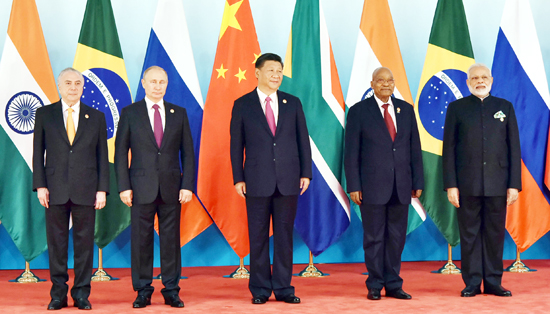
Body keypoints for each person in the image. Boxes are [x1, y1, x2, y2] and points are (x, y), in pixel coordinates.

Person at [230, 53, 312, 305]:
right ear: (257, 72)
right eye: (271, 71)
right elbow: (236, 145)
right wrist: (238, 178)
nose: (276, 75)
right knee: (258, 236)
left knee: (285, 236)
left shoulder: (293, 103)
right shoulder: (242, 104)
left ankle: (284, 288)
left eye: (279, 71)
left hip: (289, 179)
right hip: (255, 180)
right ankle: (260, 289)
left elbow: (302, 140)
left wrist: (305, 172)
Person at [114, 66, 194, 308]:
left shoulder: (178, 113)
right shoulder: (130, 113)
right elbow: (120, 154)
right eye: (153, 82)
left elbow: (188, 153)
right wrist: (123, 187)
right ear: (144, 83)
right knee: (141, 241)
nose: (158, 86)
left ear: (166, 84)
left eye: (162, 82)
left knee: (171, 241)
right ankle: (143, 290)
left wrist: (187, 184)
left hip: (172, 187)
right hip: (139, 187)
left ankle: (171, 289)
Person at [33, 67, 109, 310]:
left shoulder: (96, 117)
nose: (73, 87)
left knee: (84, 244)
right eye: (68, 83)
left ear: (83, 87)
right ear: (60, 86)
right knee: (56, 244)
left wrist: (102, 189)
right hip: (53, 189)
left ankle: (81, 294)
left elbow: (102, 156)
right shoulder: (45, 114)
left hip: (87, 189)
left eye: (77, 83)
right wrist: (40, 185)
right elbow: (37, 154)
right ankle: (58, 294)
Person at [344, 67, 423, 301]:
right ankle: (375, 284)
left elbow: (414, 149)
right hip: (371, 187)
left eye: (390, 80)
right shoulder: (359, 111)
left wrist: (417, 180)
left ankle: (394, 284)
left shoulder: (406, 110)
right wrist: (354, 185)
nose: (386, 84)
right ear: (372, 83)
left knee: (396, 237)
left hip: (401, 186)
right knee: (374, 237)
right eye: (381, 81)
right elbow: (351, 152)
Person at [442, 63, 521, 297]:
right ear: (467, 83)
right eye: (474, 77)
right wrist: (451, 185)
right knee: (469, 235)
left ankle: (494, 282)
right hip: (466, 185)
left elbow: (513, 149)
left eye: (484, 77)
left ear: (491, 80)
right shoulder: (457, 108)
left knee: (495, 235)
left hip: (498, 183)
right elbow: (449, 150)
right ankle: (473, 282)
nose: (479, 80)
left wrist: (514, 184)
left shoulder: (504, 107)